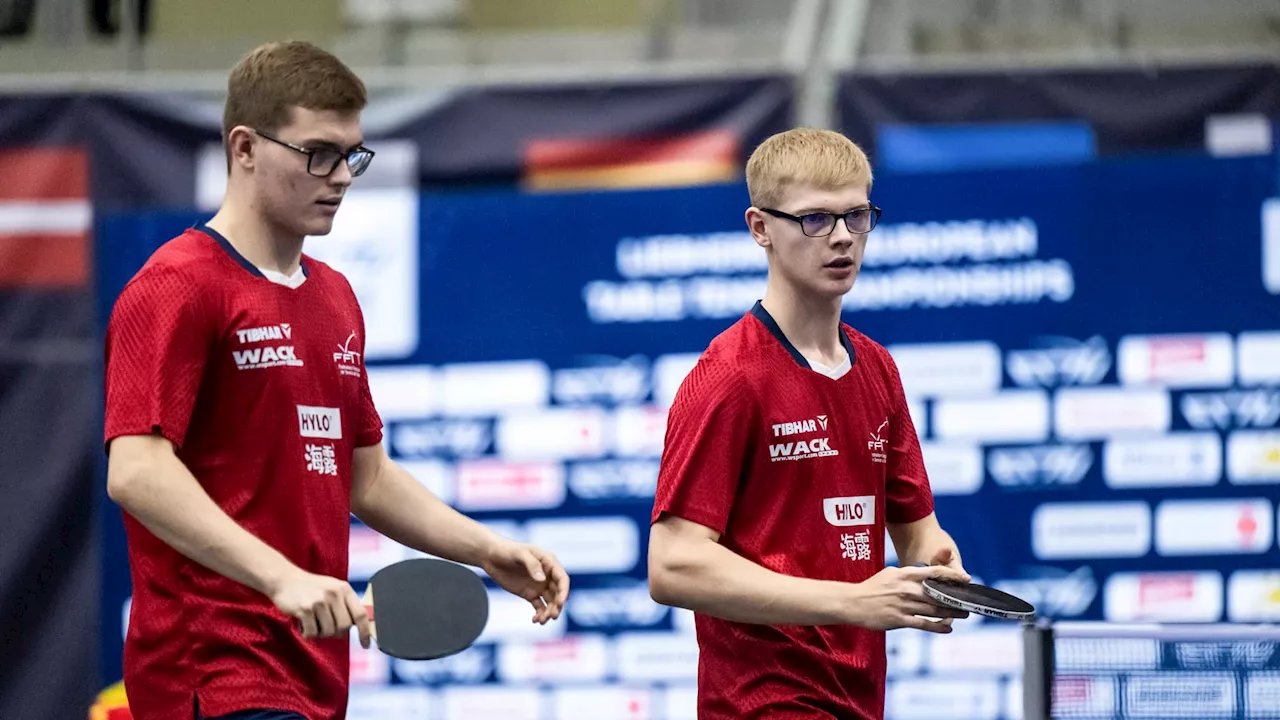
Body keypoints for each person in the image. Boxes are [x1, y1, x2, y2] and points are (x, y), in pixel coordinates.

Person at [103, 41, 570, 720]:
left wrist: (488, 549)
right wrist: (281, 578)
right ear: (245, 149)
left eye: (352, 153)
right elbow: (136, 472)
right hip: (213, 671)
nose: (342, 175)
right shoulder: (177, 286)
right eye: (318, 152)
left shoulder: (335, 299)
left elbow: (367, 478)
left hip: (315, 676)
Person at [647, 127, 971, 719]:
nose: (843, 237)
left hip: (860, 699)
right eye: (815, 219)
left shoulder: (877, 368)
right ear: (760, 228)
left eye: (856, 215)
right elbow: (673, 566)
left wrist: (939, 570)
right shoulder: (729, 377)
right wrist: (851, 602)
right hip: (763, 706)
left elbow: (919, 533)